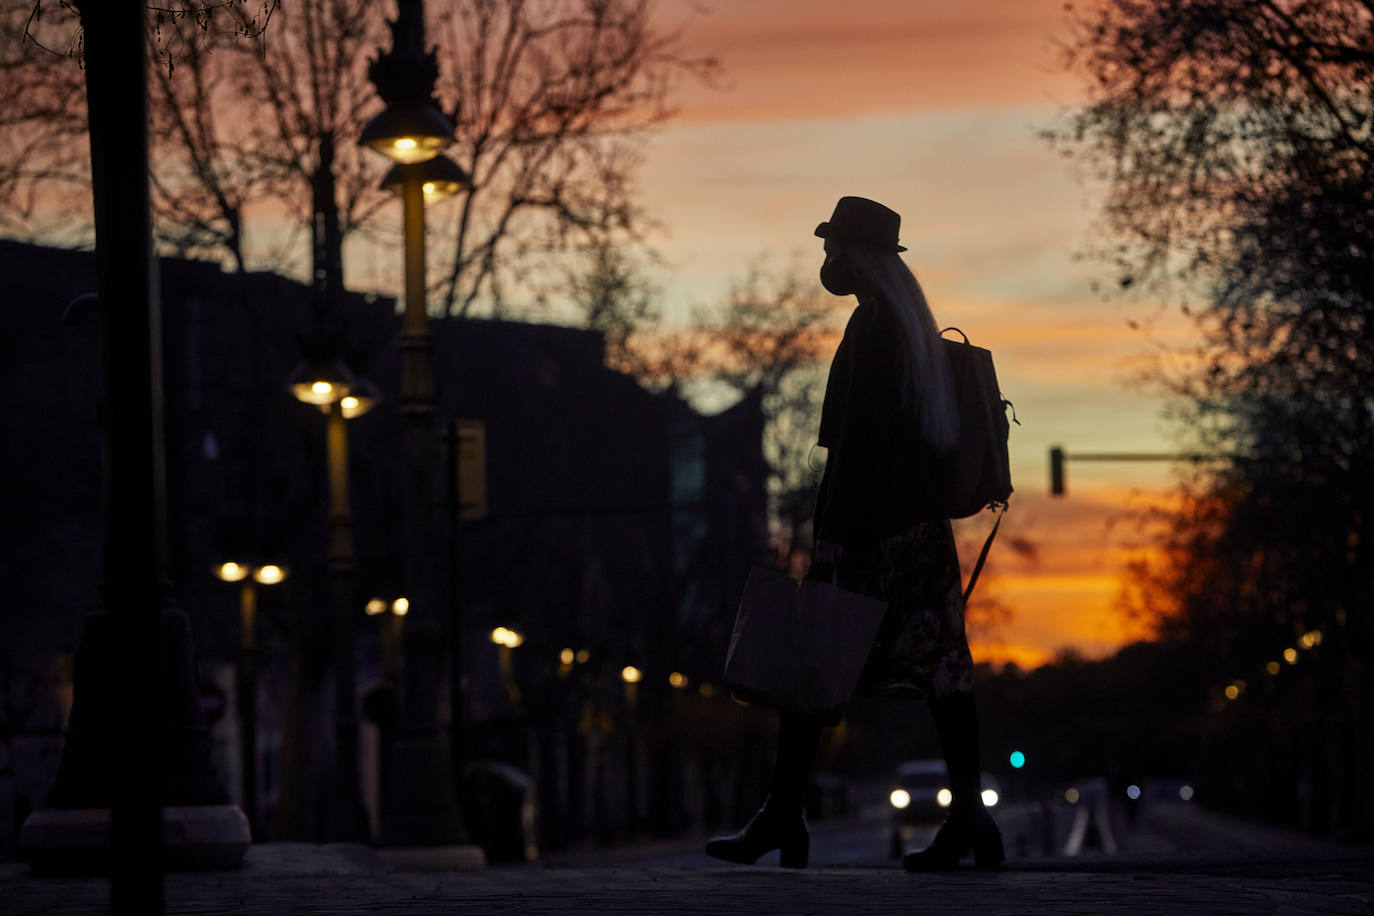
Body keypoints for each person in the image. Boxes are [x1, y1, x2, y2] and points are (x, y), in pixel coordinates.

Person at [704, 196, 1004, 872]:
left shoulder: (874, 330)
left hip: (871, 532)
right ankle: (969, 820)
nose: (826, 260)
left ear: (854, 255)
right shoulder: (909, 329)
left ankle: (784, 816)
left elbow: (858, 452)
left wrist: (831, 536)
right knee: (944, 676)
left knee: (811, 668)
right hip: (918, 533)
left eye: (832, 248)